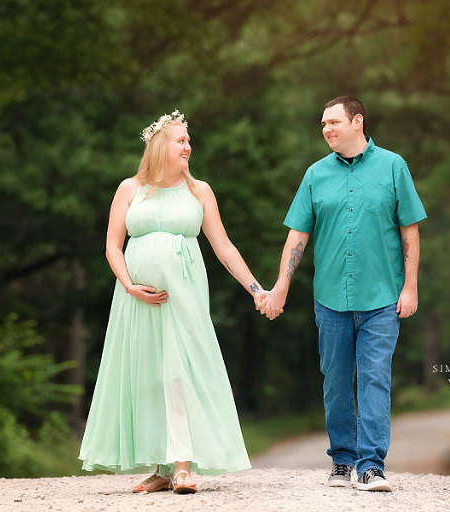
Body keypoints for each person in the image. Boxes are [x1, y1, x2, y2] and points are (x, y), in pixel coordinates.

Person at [79, 110, 262, 494]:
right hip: (138, 300)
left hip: (184, 297)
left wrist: (256, 289)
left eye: (189, 141)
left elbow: (224, 247)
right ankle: (162, 467)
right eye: (181, 140)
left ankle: (183, 465)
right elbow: (113, 246)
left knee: (180, 373)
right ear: (160, 145)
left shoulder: (200, 191)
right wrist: (129, 285)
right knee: (148, 375)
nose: (188, 147)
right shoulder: (130, 188)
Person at [259, 96, 426, 492]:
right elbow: (297, 235)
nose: (327, 130)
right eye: (322, 124)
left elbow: (410, 231)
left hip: (383, 297)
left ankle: (371, 466)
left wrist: (411, 286)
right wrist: (281, 283)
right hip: (330, 298)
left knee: (375, 379)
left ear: (357, 121)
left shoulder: (393, 167)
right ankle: (342, 460)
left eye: (333, 122)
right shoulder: (316, 175)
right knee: (335, 381)